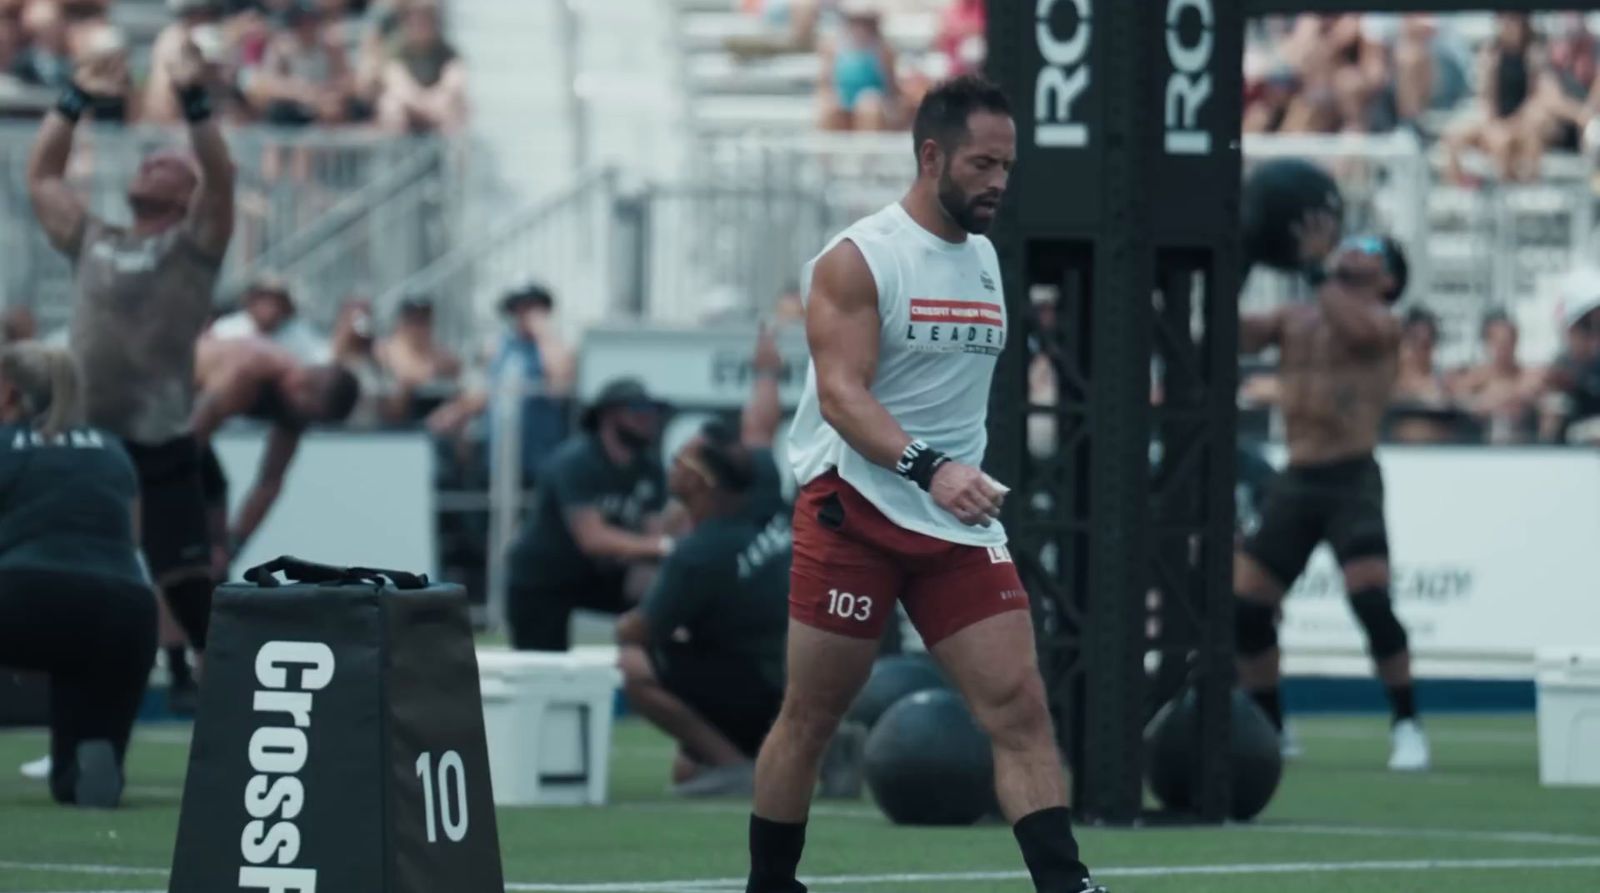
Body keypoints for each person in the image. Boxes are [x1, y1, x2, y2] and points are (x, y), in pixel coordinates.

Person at [747, 76, 1107, 893]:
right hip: (857, 512)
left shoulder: (983, 258)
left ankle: (1067, 885)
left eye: (1008, 166)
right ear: (931, 154)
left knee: (1019, 707)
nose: (999, 182)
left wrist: (949, 480)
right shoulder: (858, 259)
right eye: (983, 163)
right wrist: (931, 468)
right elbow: (843, 397)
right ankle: (769, 886)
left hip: (955, 526)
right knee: (811, 718)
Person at [29, 37, 235, 658]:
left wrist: (195, 100)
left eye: (168, 164)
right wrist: (74, 99)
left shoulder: (194, 246)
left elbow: (222, 177)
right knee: (70, 574)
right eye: (149, 161)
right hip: (87, 437)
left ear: (185, 196)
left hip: (161, 443)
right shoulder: (92, 237)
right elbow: (42, 175)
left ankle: (226, 699)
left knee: (189, 588)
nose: (150, 163)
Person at [1236, 234, 1430, 772]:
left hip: (1351, 477)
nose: (1352, 247)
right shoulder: (1298, 314)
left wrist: (1318, 269)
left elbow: (1354, 328)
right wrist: (1242, 260)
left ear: (1388, 278)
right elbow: (1239, 335)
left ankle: (1407, 723)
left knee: (1369, 598)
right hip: (1297, 476)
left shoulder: (1383, 321)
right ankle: (1272, 726)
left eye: (1368, 247)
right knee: (1246, 608)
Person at [0, 343, 157, 808]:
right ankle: (85, 765)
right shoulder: (112, 451)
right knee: (82, 759)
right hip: (123, 612)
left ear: (8, 392)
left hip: (23, 595)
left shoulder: (5, 446)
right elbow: (133, 538)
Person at [615, 421, 790, 798]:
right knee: (686, 769)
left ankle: (734, 769)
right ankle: (810, 749)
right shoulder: (762, 499)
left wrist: (626, 626)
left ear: (700, 482)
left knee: (634, 663)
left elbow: (640, 631)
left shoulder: (698, 554)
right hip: (797, 685)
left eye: (680, 462)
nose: (672, 466)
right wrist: (766, 372)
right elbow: (760, 427)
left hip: (759, 691)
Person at [505, 378, 673, 652]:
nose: (648, 418)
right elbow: (592, 538)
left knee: (658, 606)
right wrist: (665, 547)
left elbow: (654, 533)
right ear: (609, 415)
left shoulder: (649, 468)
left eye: (651, 410)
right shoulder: (576, 461)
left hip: (600, 574)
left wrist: (661, 552)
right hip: (544, 578)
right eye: (638, 409)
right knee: (542, 666)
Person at [190, 333, 361, 561]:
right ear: (301, 385)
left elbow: (270, 482)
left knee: (213, 490)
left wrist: (232, 547)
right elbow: (189, 441)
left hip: (175, 415)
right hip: (146, 389)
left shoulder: (296, 408)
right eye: (308, 415)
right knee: (200, 488)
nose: (303, 424)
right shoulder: (249, 370)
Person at [1451, 310, 1542, 443]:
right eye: (1497, 342)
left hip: (1524, 448)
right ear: (1486, 344)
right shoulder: (1476, 377)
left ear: (1515, 342)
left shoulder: (1528, 376)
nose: (1502, 349)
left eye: (1507, 342)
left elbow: (1535, 388)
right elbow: (1455, 395)